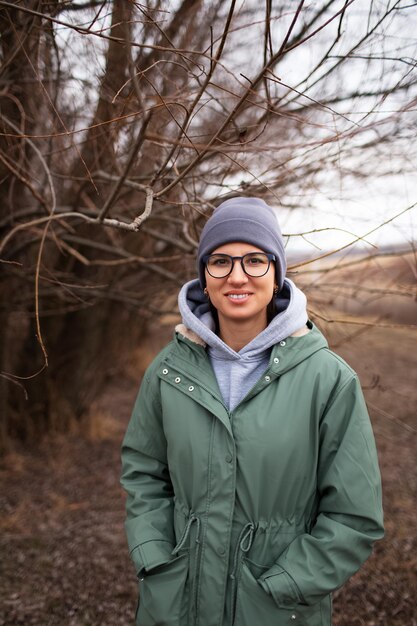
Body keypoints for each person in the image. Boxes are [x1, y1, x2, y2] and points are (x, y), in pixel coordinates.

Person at [120, 197, 384, 626]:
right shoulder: (168, 372)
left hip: (277, 610)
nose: (237, 276)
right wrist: (153, 554)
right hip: (174, 605)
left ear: (277, 274)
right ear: (204, 277)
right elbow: (143, 472)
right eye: (220, 261)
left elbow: (354, 517)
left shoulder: (328, 380)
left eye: (255, 260)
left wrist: (286, 585)